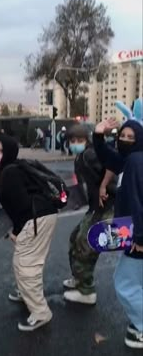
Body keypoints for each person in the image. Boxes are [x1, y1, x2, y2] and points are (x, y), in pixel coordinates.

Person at [0, 134, 58, 331]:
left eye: (0, 150)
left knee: (26, 264)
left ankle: (41, 313)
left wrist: (17, 232)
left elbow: (22, 206)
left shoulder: (9, 173)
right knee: (26, 262)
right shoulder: (8, 170)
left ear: (8, 153)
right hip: (40, 216)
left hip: (36, 218)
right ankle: (27, 293)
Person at [93, 98, 143, 349]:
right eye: (122, 134)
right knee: (135, 282)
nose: (124, 139)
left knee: (124, 283)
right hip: (134, 234)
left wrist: (140, 239)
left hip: (138, 237)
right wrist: (98, 136)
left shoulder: (136, 163)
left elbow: (138, 202)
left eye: (131, 136)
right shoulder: (132, 160)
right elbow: (109, 157)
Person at [63, 123, 116, 305]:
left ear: (87, 140)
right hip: (95, 207)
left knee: (85, 246)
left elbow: (112, 171)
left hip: (105, 207)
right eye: (72, 141)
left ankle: (86, 291)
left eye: (80, 140)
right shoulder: (81, 156)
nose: (76, 143)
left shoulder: (90, 154)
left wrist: (105, 188)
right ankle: (79, 279)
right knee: (75, 239)